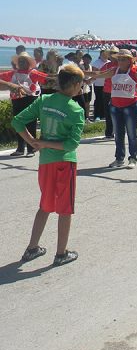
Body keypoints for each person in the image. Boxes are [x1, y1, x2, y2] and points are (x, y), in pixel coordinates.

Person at [12, 65, 86, 267]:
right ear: (75, 85)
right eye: (81, 84)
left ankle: (32, 248)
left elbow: (18, 122)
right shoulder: (76, 109)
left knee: (44, 205)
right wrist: (43, 143)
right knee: (65, 209)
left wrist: (33, 142)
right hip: (65, 162)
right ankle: (61, 253)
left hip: (45, 163)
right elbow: (71, 144)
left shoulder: (43, 100)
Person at [0, 53, 49, 157]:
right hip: (17, 101)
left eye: (24, 61)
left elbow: (46, 79)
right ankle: (20, 148)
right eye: (20, 61)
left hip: (30, 100)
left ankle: (31, 149)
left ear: (28, 63)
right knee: (18, 124)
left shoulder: (33, 73)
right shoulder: (12, 73)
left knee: (31, 124)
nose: (21, 63)